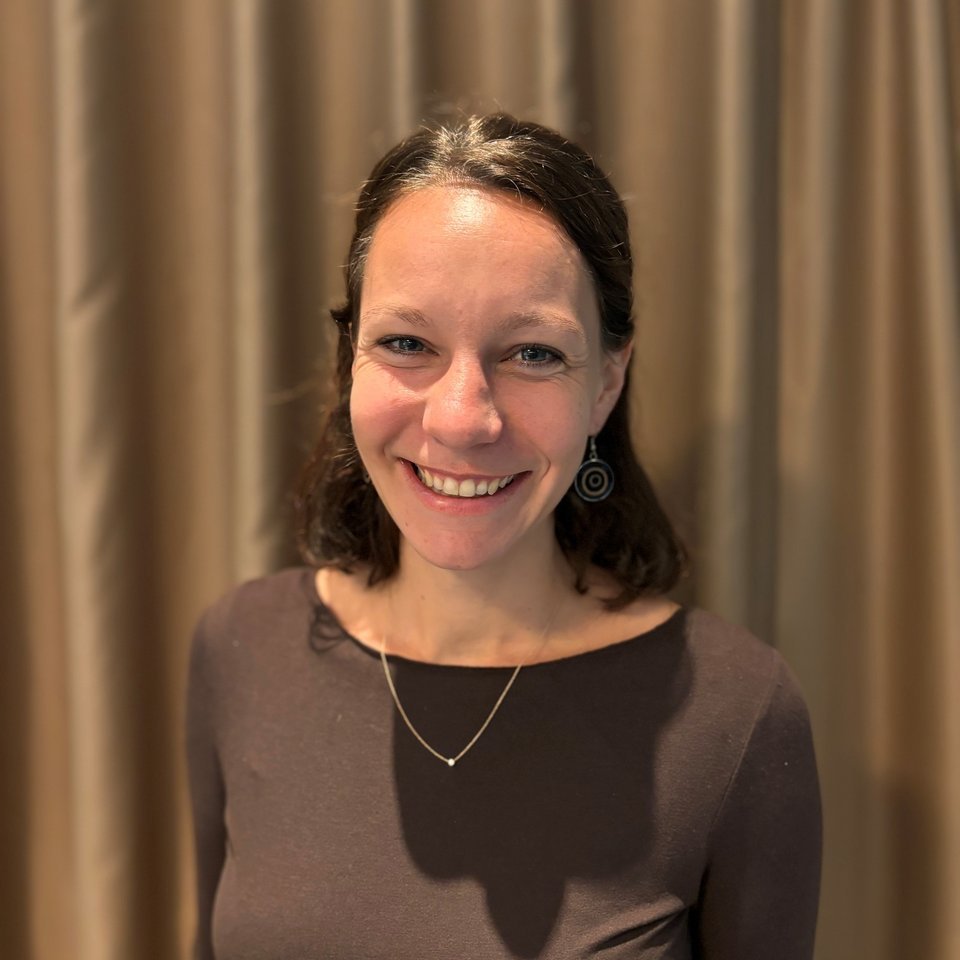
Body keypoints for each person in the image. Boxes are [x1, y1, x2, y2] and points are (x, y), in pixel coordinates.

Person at [186, 114, 821, 960]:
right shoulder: (240, 649)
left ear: (607, 382)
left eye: (532, 354)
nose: (462, 419)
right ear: (350, 362)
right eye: (406, 343)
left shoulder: (736, 713)